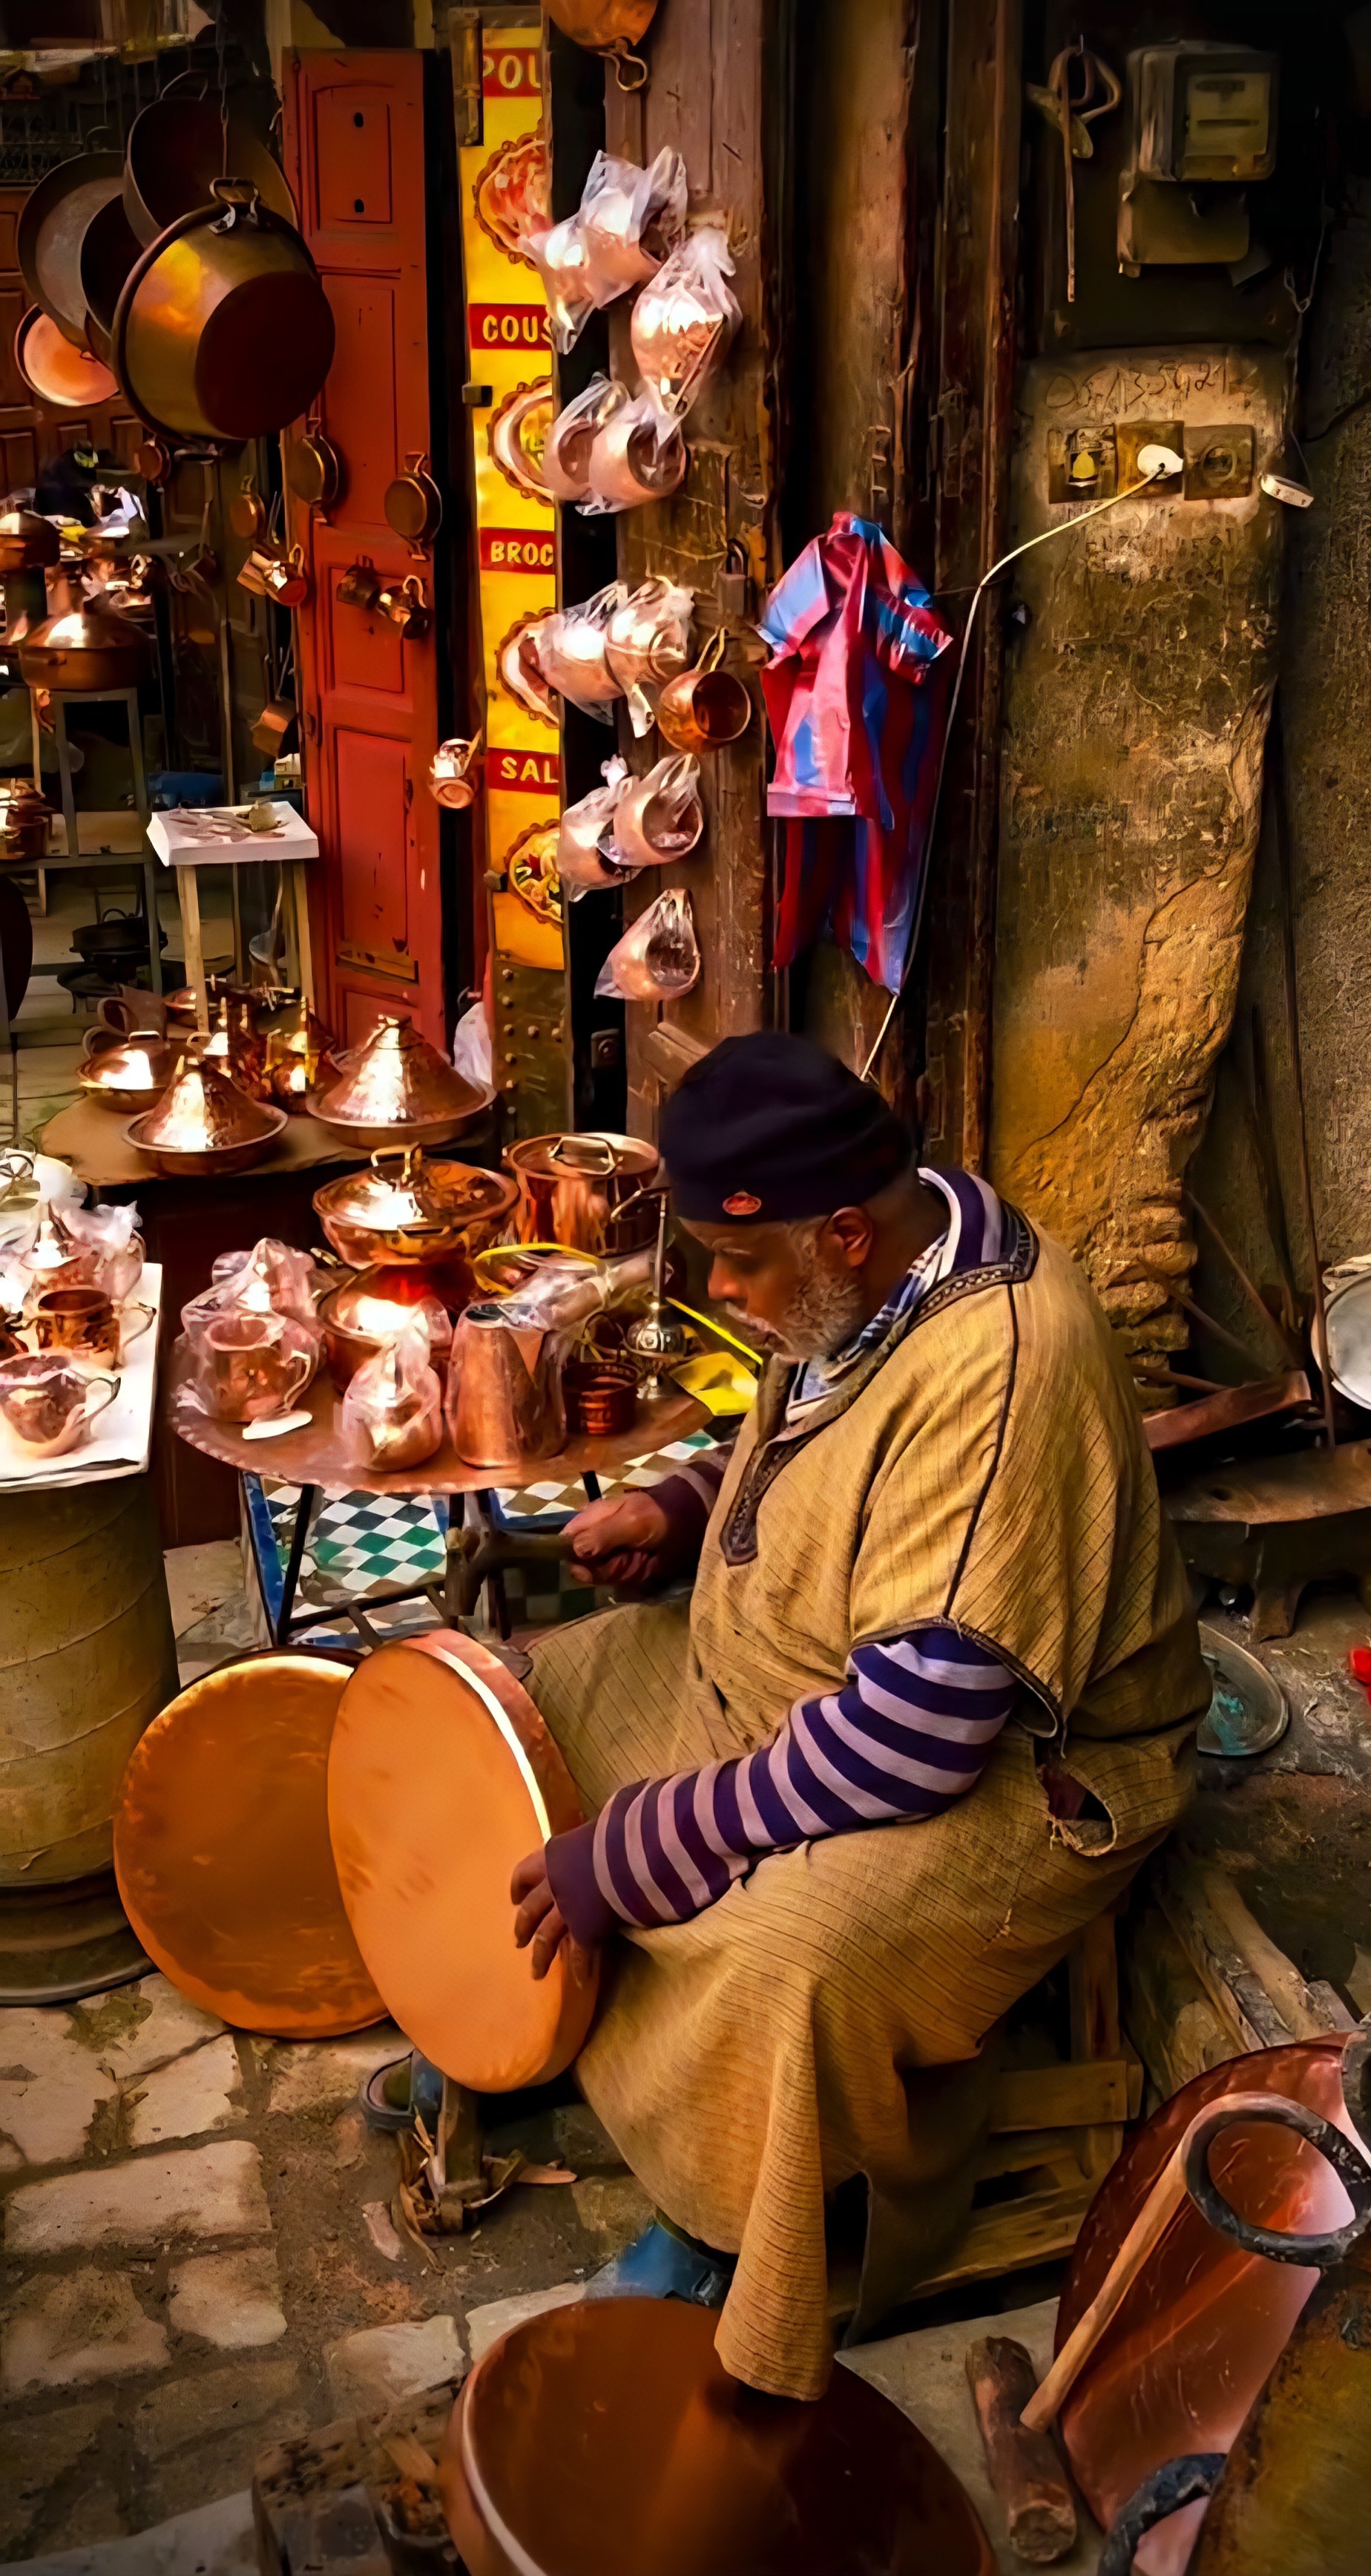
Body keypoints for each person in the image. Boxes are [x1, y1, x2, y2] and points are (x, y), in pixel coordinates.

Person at [510, 1032, 1207, 2400]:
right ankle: (524, 2016)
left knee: (787, 1948)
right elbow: (820, 1435)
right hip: (818, 1677)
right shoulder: (877, 1257)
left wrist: (651, 1845)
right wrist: (687, 1506)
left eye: (735, 1261)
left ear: (837, 1234)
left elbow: (916, 1739)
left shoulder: (1000, 1365)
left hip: (1020, 1774)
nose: (719, 1290)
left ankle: (716, 2223)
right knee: (553, 1696)